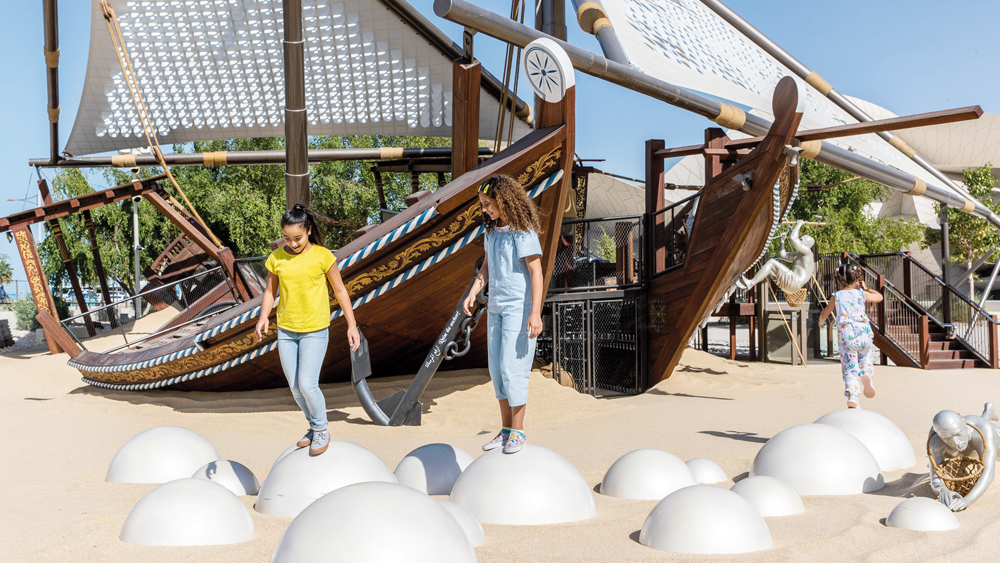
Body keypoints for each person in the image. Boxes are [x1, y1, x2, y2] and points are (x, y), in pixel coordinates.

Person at [255, 204, 360, 456]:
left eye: (298, 238)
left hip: (315, 329)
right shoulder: (276, 258)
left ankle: (322, 429)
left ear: (309, 230)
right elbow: (270, 292)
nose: (292, 243)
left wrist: (352, 325)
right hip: (287, 330)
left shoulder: (323, 256)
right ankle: (314, 426)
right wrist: (263, 317)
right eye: (287, 238)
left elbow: (340, 291)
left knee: (307, 383)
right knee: (294, 387)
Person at [463, 175, 543, 454]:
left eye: (488, 203)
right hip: (496, 308)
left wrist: (535, 313)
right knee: (496, 370)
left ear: (504, 201)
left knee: (512, 368)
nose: (485, 209)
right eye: (482, 204)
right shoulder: (492, 232)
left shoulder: (523, 232)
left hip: (518, 309)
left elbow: (536, 272)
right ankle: (506, 429)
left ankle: (518, 431)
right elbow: (486, 266)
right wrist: (473, 291)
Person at [818, 263, 882, 408]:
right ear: (857, 279)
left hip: (848, 336)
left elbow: (825, 313)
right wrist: (866, 288)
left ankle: (853, 396)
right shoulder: (861, 293)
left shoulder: (837, 296)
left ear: (840, 279)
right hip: (864, 333)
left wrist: (821, 322)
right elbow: (879, 297)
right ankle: (866, 374)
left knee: (850, 368)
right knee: (865, 357)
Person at [928, 404, 1000, 511]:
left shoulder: (983, 430)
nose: (956, 442)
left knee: (983, 428)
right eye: (948, 438)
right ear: (939, 434)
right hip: (970, 441)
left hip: (995, 437)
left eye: (958, 434)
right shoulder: (935, 441)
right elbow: (935, 476)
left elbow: (989, 473)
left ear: (963, 422)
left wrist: (967, 500)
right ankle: (987, 412)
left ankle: (988, 412)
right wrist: (942, 489)